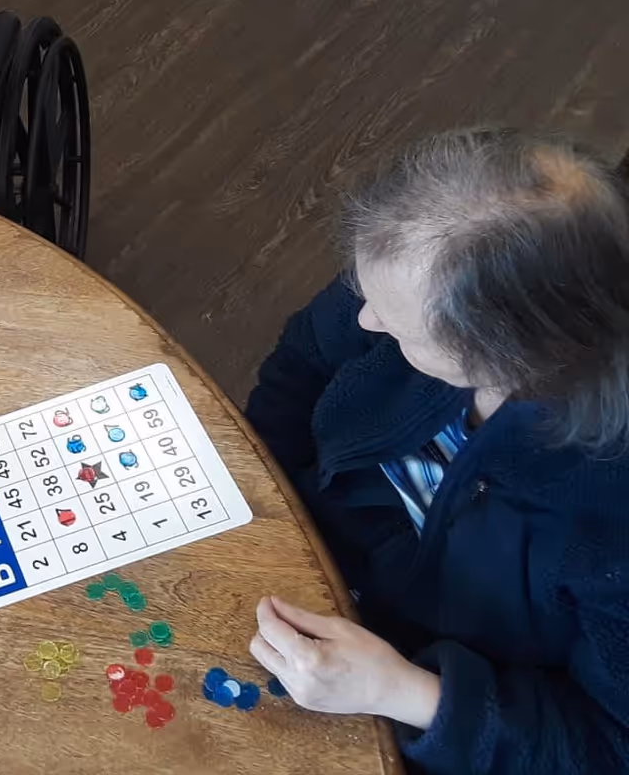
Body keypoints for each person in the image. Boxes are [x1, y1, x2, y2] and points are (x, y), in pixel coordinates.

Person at [243, 128, 629, 774]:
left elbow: (605, 747)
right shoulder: (406, 276)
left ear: (511, 359)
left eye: (401, 328)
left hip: (441, 706)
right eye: (361, 290)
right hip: (301, 568)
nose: (367, 322)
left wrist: (406, 692)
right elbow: (303, 362)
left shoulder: (607, 522)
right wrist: (259, 493)